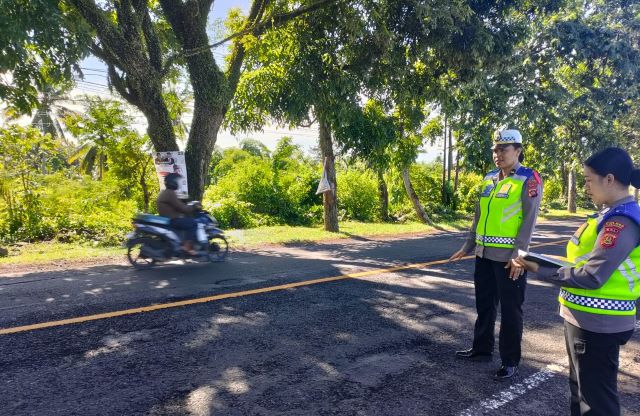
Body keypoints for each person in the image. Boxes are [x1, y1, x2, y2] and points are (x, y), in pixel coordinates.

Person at [514, 147, 640, 415]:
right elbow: (584, 261)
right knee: (582, 393)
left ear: (609, 179)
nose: (585, 187)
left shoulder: (621, 221)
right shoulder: (609, 214)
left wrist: (538, 268)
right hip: (586, 318)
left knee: (595, 402)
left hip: (598, 322)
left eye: (587, 180)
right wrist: (542, 258)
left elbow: (593, 275)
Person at [449, 128, 543, 380]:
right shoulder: (489, 178)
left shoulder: (528, 178)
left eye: (503, 149)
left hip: (509, 258)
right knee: (484, 304)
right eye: (495, 149)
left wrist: (520, 256)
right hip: (483, 254)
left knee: (511, 310)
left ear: (518, 150)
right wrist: (468, 245)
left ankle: (510, 360)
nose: (497, 154)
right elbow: (478, 216)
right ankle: (481, 350)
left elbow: (529, 221)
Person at [156, 173, 198, 255]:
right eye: (176, 181)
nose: (178, 183)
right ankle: (187, 246)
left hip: (168, 219)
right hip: (173, 220)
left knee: (187, 221)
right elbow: (182, 208)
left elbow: (177, 205)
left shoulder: (165, 192)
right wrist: (193, 207)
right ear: (172, 182)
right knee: (193, 223)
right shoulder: (170, 193)